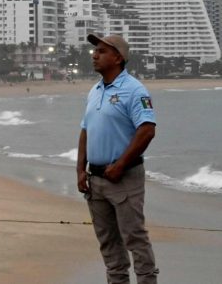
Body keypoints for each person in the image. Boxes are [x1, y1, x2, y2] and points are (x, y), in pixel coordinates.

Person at [76, 34, 159, 284]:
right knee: (109, 245)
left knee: (135, 238)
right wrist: (80, 169)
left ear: (118, 57)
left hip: (124, 178)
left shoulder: (134, 90)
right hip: (96, 179)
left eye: (101, 51)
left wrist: (120, 165)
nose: (94, 54)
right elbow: (85, 129)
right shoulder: (95, 89)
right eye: (95, 51)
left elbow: (147, 129)